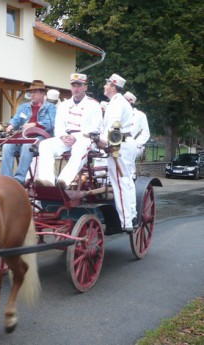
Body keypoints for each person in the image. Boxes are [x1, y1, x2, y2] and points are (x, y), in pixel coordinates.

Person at [35, 73, 102, 188]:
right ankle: (47, 181)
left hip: (85, 139)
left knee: (80, 146)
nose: (75, 89)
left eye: (79, 86)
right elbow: (59, 126)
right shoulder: (64, 105)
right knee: (45, 145)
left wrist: (76, 136)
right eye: (73, 86)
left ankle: (64, 180)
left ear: (85, 87)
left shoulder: (94, 105)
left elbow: (95, 127)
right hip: (66, 138)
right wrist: (62, 136)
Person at [98, 73, 137, 231]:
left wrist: (106, 143)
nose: (104, 86)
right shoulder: (120, 101)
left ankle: (126, 222)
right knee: (127, 181)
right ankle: (132, 215)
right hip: (126, 142)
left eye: (107, 84)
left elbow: (113, 126)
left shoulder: (116, 103)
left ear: (113, 87)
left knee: (120, 184)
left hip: (119, 143)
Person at [0, 80, 56, 186]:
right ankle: (6, 178)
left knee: (27, 144)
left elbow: (52, 123)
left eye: (35, 92)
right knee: (7, 145)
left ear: (43, 93)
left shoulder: (50, 107)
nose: (32, 95)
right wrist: (11, 126)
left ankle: (20, 178)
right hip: (24, 138)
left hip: (42, 139)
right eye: (31, 92)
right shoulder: (24, 107)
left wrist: (35, 124)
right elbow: (17, 119)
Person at [123, 91, 150, 160]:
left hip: (134, 147)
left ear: (129, 102)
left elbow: (145, 133)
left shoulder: (140, 115)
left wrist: (135, 144)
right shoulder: (119, 114)